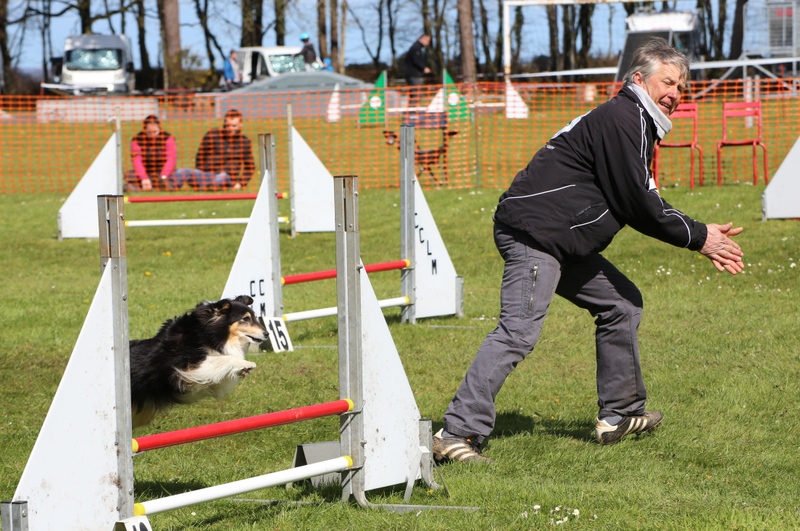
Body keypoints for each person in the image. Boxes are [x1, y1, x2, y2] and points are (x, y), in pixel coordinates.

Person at [432, 38, 745, 464]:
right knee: (518, 332)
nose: (675, 93)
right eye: (668, 82)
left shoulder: (635, 120)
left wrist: (698, 233)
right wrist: (700, 236)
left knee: (621, 303)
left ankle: (620, 413)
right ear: (639, 80)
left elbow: (639, 196)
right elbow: (639, 202)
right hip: (535, 234)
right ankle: (456, 433)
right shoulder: (625, 117)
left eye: (681, 87)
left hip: (561, 238)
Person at [174, 109, 255, 191]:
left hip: (226, 177)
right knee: (183, 171)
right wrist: (202, 170)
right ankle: (170, 185)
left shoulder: (244, 142)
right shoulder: (213, 134)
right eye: (228, 125)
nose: (230, 128)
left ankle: (210, 186)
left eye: (234, 126)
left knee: (222, 177)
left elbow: (250, 167)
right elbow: (200, 156)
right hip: (205, 174)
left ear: (240, 125)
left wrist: (240, 184)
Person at [125, 115, 177, 191]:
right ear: (144, 130)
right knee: (129, 175)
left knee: (183, 173)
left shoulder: (168, 138)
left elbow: (171, 160)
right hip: (147, 172)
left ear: (159, 129)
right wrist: (144, 178)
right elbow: (136, 160)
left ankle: (161, 184)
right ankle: (145, 185)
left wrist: (163, 177)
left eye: (155, 132)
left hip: (164, 173)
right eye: (149, 132)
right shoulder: (137, 140)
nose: (152, 135)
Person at [403, 34, 432, 108]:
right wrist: (424, 68)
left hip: (412, 75)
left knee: (414, 95)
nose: (428, 43)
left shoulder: (415, 48)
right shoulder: (416, 48)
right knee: (418, 94)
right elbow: (416, 60)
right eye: (428, 41)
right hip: (414, 75)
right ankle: (412, 112)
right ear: (423, 39)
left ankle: (410, 111)